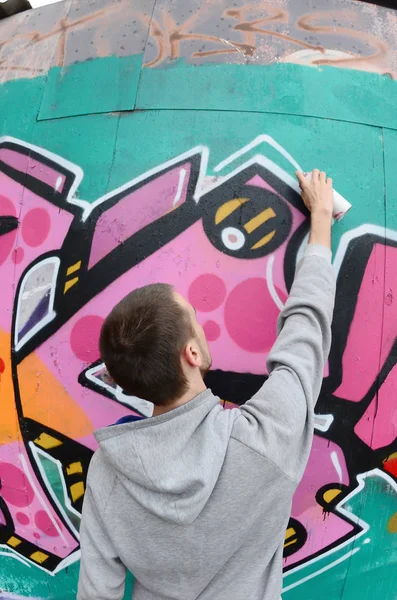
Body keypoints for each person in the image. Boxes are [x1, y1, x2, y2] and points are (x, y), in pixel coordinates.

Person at [77, 169, 336, 600]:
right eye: (194, 320)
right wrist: (322, 220)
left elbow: (96, 594)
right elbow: (305, 334)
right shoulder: (266, 440)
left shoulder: (107, 473)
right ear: (191, 355)